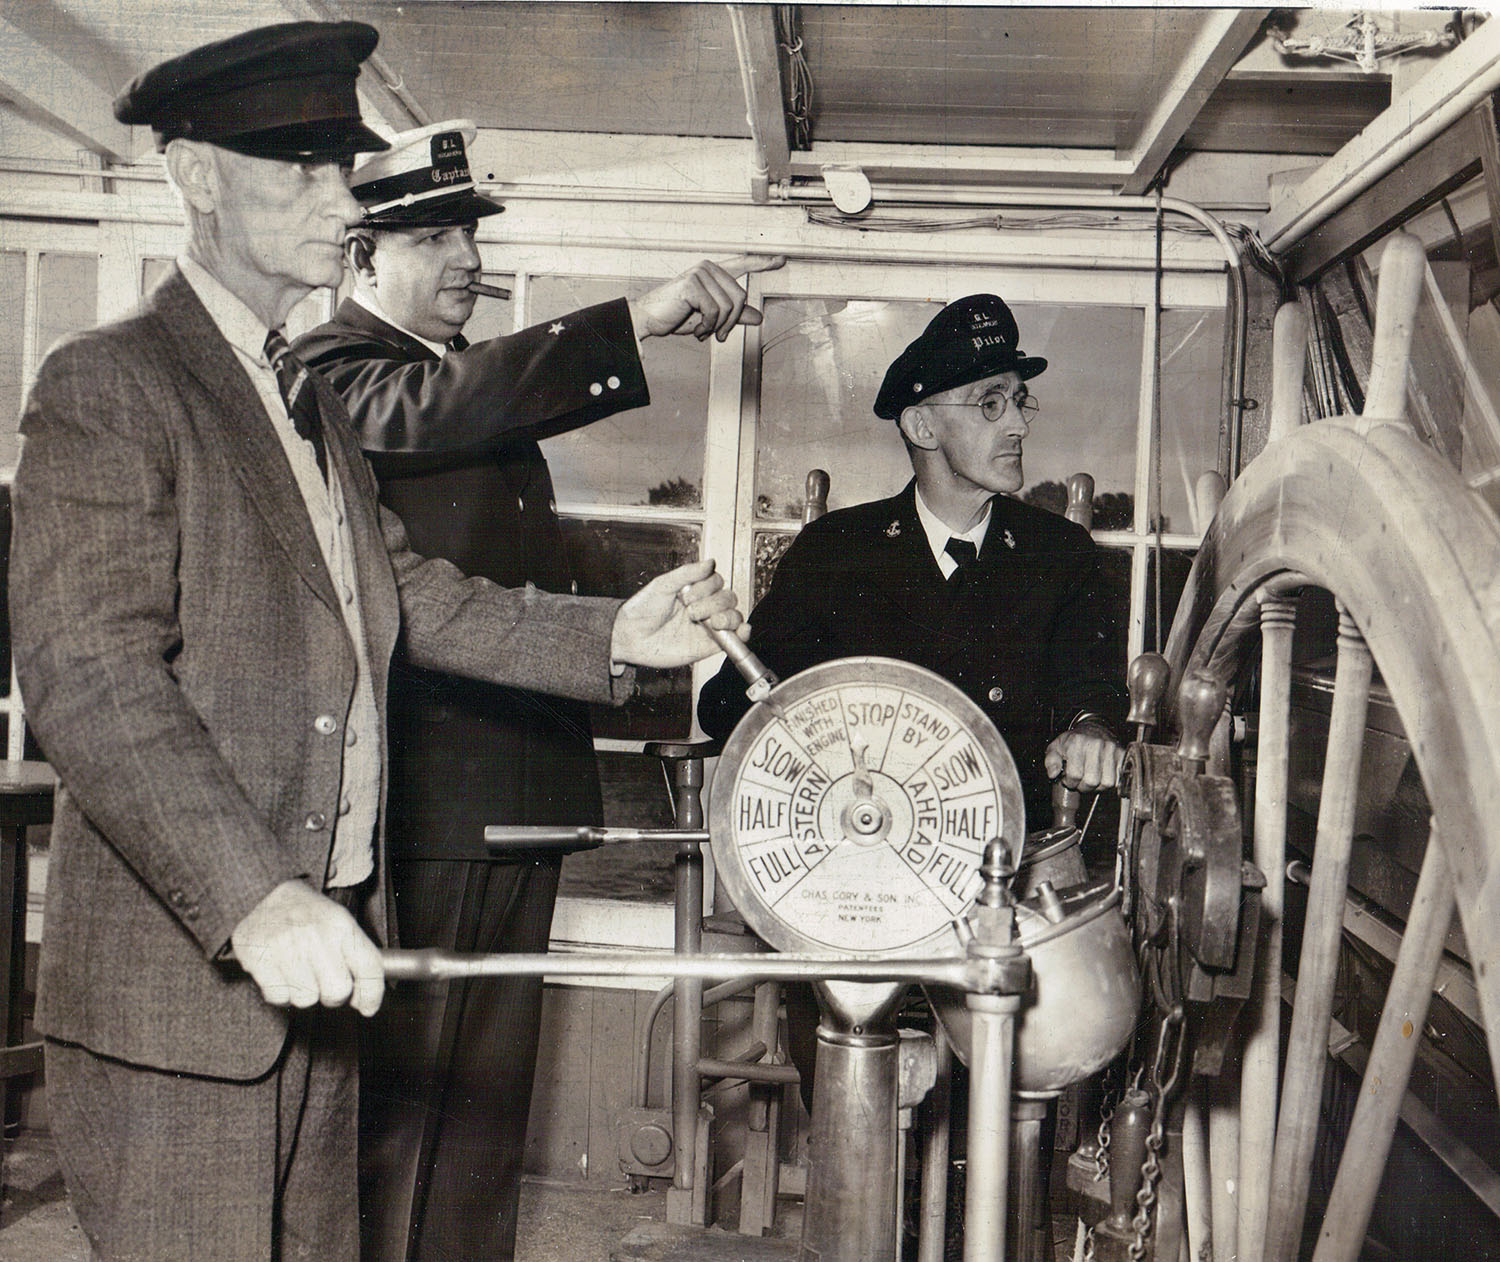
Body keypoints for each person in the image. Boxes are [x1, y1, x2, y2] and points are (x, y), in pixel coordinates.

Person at [7, 23, 742, 1262]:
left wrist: (618, 628)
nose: (332, 195)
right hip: (196, 986)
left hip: (335, 944)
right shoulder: (113, 384)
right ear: (193, 175)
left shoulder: (302, 397)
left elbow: (413, 594)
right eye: (294, 165)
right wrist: (254, 893)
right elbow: (90, 676)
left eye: (335, 164)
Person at [292, 122, 778, 1260]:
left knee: (483, 1112)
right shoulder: (336, 371)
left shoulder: (456, 380)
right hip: (423, 808)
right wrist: (638, 318)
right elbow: (435, 408)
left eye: (472, 231)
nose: (467, 257)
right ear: (361, 255)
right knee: (404, 1112)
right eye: (437, 234)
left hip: (512, 802)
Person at [697, 293, 1127, 1119]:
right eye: (990, 403)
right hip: (861, 872)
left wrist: (1090, 731)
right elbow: (733, 708)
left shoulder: (1059, 556)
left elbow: (1092, 694)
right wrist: (770, 692)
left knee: (1004, 1101)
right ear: (923, 427)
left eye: (1019, 400)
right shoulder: (834, 553)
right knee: (850, 1053)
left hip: (1005, 875)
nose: (1018, 427)